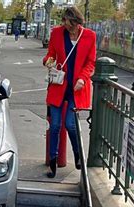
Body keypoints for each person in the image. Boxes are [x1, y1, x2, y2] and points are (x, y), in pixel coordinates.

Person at [43, 6, 96, 178]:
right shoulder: (57, 33)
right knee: (56, 125)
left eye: (69, 23)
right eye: (65, 22)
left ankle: (78, 155)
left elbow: (91, 62)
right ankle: (52, 163)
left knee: (71, 125)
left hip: (77, 88)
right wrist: (48, 61)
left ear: (75, 21)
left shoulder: (89, 36)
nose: (66, 26)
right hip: (59, 85)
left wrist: (82, 78)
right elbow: (50, 54)